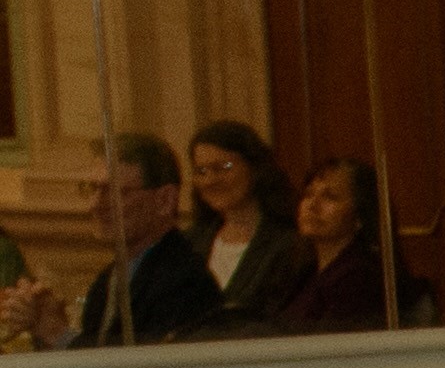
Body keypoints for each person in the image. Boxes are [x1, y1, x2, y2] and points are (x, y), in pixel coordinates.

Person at [70, 135, 213, 347]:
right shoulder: (109, 279)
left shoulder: (183, 282)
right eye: (92, 189)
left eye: (115, 192)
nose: (96, 205)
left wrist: (58, 334)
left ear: (165, 200)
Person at [268, 158, 429, 333]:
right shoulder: (304, 271)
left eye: (330, 197)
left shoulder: (360, 278)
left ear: (360, 216)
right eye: (308, 194)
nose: (312, 205)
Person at [182, 119, 308, 329]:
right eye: (201, 172)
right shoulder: (188, 243)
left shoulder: (290, 244)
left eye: (224, 167)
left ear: (255, 167)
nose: (211, 180)